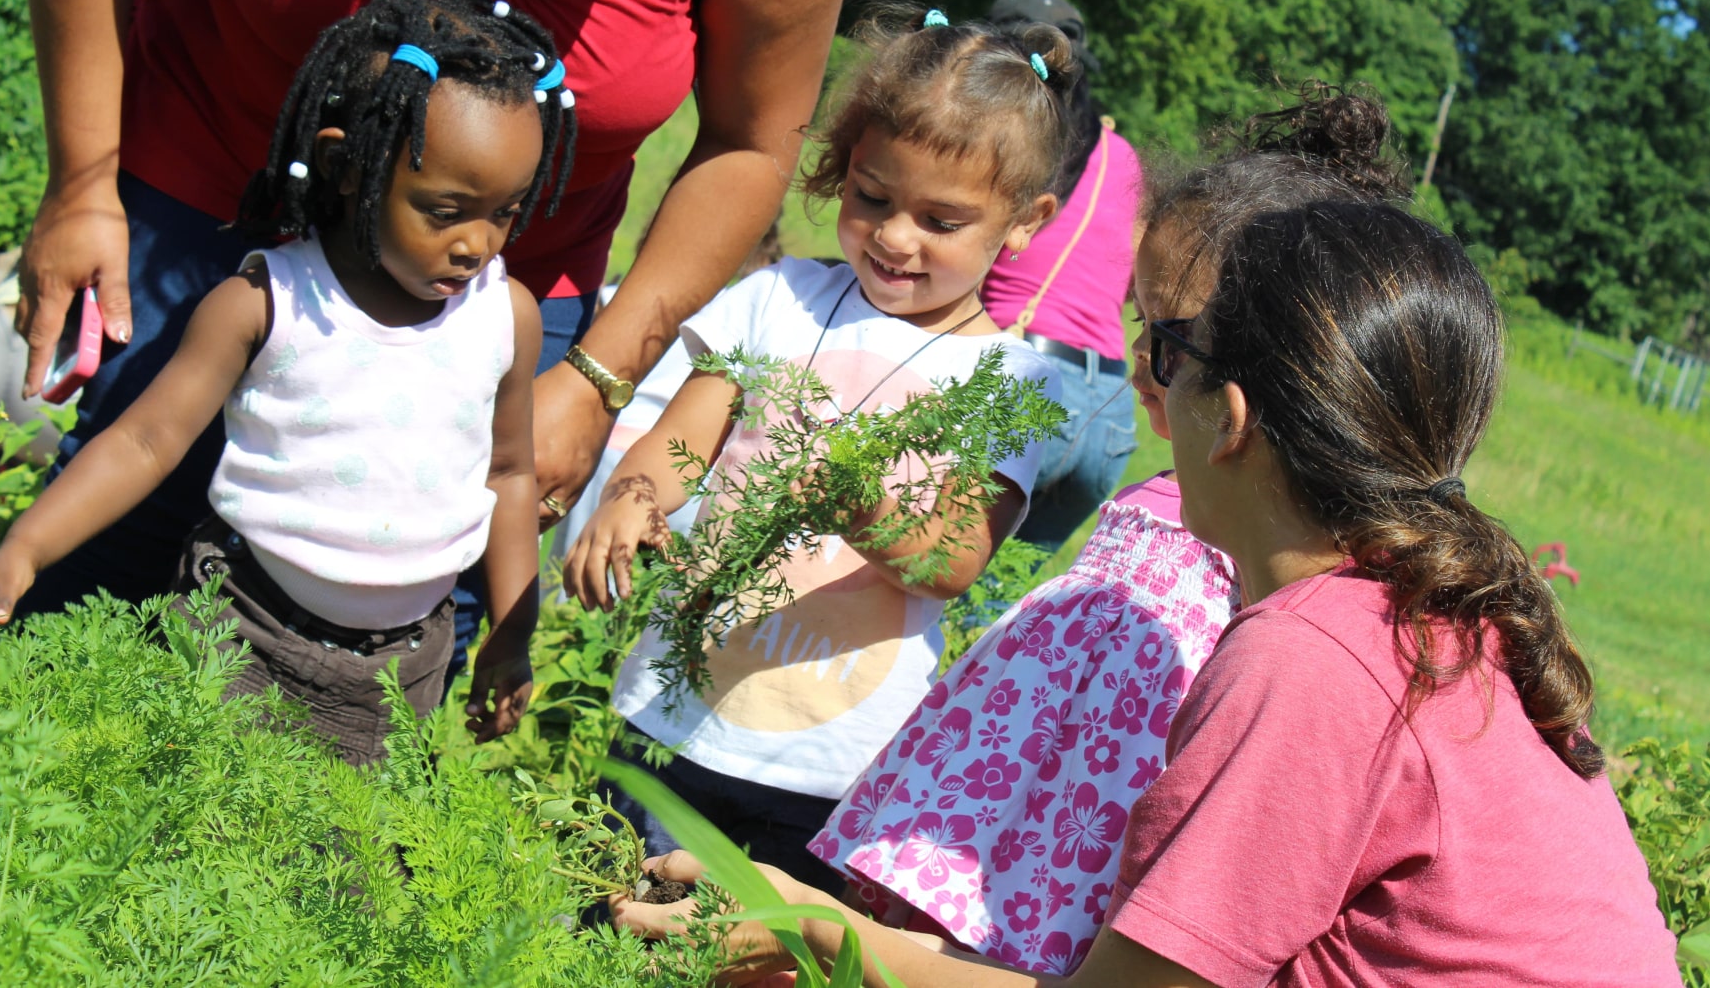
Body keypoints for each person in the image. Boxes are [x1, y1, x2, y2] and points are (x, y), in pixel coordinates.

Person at [614, 195, 1682, 985]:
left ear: (1234, 415)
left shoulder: (1314, 658)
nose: (1147, 375)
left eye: (1173, 349)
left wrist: (817, 931)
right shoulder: (1426, 612)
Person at [11, 0, 850, 688]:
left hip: (493, 306)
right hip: (213, 214)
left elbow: (752, 142)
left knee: (384, 653)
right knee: (101, 582)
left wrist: (597, 379)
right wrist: (81, 187)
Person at [808, 85, 1409, 973]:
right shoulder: (1195, 492)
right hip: (998, 816)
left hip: (1083, 846)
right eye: (1142, 322)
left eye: (1173, 336)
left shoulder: (1276, 550)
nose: (1139, 361)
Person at [563, 5, 1078, 891]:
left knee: (754, 950)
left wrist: (868, 508)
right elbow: (677, 441)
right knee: (610, 915)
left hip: (825, 760)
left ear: (1024, 222)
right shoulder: (779, 299)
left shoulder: (1012, 382)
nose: (894, 235)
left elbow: (951, 556)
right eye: (871, 196)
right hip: (670, 708)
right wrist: (632, 498)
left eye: (940, 220)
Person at [0, 0, 555, 766]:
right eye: (445, 210)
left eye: (505, 213)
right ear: (352, 170)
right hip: (240, 627)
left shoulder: (504, 316)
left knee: (341, 875)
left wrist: (512, 637)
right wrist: (26, 546)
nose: (476, 244)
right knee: (191, 827)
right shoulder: (264, 303)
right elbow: (145, 441)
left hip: (400, 670)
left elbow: (509, 474)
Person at [981, 0, 1141, 552]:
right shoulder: (1122, 158)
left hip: (1022, 380)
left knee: (930, 579)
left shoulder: (1004, 139)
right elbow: (1127, 282)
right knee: (997, 607)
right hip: (1110, 412)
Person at [550, 220, 784, 556]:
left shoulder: (618, 299)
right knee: (664, 587)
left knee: (576, 574)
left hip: (611, 451)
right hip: (686, 466)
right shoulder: (728, 309)